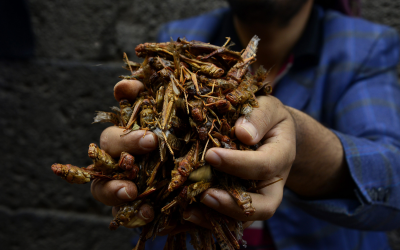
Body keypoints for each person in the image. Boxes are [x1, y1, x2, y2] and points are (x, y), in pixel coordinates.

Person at [91, 0, 400, 249]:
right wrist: (131, 168)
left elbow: (392, 179)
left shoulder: (364, 46)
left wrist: (298, 141)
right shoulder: (177, 37)